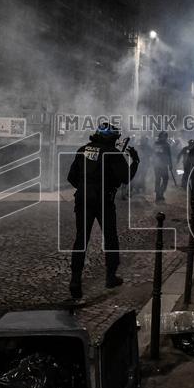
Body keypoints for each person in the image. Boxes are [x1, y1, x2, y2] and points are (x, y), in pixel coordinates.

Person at [66, 122, 139, 299]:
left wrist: (86, 188)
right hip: (104, 201)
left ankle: (75, 281)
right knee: (111, 238)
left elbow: (71, 177)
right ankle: (110, 276)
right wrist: (135, 161)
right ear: (111, 138)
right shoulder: (113, 153)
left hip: (83, 199)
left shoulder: (83, 150)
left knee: (80, 240)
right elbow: (125, 178)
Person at [152, 131, 174, 202]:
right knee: (159, 180)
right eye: (164, 136)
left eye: (165, 136)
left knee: (164, 179)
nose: (165, 138)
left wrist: (170, 164)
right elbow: (155, 154)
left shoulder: (166, 144)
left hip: (163, 165)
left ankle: (160, 193)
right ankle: (158, 195)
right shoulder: (160, 144)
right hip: (159, 165)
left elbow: (169, 155)